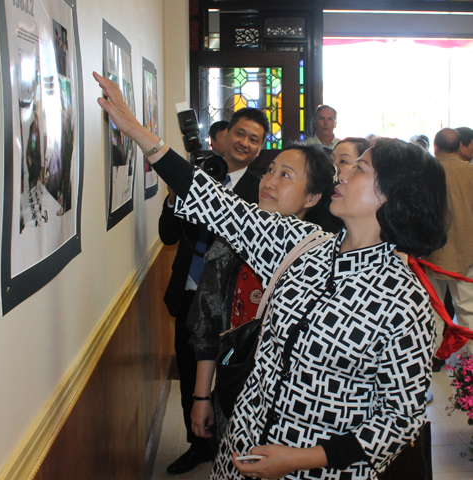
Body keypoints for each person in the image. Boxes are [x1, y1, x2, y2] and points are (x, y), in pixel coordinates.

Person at [94, 71, 449, 480]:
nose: (342, 175)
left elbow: (398, 420)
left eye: (359, 169)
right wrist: (138, 132)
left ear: (391, 196)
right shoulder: (303, 244)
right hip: (240, 448)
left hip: (315, 471)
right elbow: (216, 205)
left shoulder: (405, 302)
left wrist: (296, 459)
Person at [188, 143, 343, 444]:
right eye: (270, 170)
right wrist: (201, 396)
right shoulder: (229, 246)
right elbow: (207, 327)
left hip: (296, 406)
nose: (269, 181)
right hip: (235, 383)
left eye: (285, 175)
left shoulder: (328, 262)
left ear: (312, 197)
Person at [159, 106, 269, 474]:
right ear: (224, 136)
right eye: (240, 133)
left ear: (260, 148)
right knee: (190, 372)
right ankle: (198, 445)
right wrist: (176, 197)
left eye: (254, 139)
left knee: (235, 376)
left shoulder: (262, 189)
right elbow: (168, 236)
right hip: (189, 291)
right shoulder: (195, 177)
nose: (244, 143)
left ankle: (234, 441)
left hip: (237, 304)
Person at [425, 128, 473, 366]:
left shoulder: (425, 173)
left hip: (432, 251)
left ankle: (434, 357)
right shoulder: (471, 171)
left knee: (434, 308)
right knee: (467, 309)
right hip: (467, 250)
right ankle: (469, 362)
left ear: (436, 147)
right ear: (460, 147)